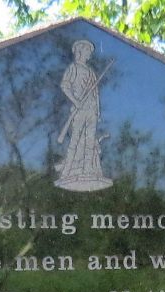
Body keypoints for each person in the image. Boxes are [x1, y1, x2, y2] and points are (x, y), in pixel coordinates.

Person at [55, 40, 112, 191]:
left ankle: (88, 170)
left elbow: (95, 94)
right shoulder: (73, 68)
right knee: (74, 140)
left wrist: (97, 111)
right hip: (78, 110)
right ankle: (66, 171)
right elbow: (65, 86)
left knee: (89, 140)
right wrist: (75, 101)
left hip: (91, 110)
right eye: (87, 51)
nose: (89, 54)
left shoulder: (91, 72)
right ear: (80, 51)